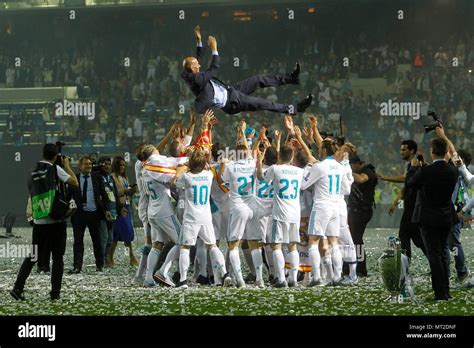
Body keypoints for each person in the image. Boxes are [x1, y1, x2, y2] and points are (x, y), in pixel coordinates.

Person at [181, 25, 313, 116]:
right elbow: (213, 69)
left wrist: (199, 40)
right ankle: (296, 108)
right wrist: (214, 49)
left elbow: (197, 59)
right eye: (196, 64)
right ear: (193, 68)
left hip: (231, 90)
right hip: (232, 102)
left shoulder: (192, 74)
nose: (199, 63)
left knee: (258, 79)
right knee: (265, 103)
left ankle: (292, 78)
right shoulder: (197, 79)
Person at [10, 143, 78, 301]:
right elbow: (74, 182)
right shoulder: (55, 169)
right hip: (55, 220)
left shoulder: (32, 172)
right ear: (55, 157)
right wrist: (67, 166)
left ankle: (17, 287)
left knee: (32, 257)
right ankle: (55, 293)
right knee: (58, 258)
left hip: (39, 221)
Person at [406, 137, 458, 301]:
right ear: (445, 152)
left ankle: (440, 292)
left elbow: (410, 184)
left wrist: (414, 168)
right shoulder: (453, 171)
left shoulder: (425, 172)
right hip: (446, 217)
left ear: (432, 151)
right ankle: (446, 290)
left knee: (434, 255)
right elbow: (437, 175)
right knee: (442, 253)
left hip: (428, 218)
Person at [173, 149, 231, 288]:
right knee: (212, 246)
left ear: (191, 164)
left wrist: (184, 166)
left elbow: (175, 181)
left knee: (185, 248)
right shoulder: (208, 175)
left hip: (191, 218)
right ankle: (224, 273)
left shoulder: (186, 177)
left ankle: (182, 279)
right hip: (205, 218)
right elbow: (207, 165)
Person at [258, 144, 305, 288]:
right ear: (292, 157)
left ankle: (281, 279)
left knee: (276, 245)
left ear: (279, 156)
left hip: (279, 214)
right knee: (292, 246)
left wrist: (259, 161)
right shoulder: (299, 171)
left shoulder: (275, 169)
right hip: (295, 213)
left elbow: (261, 177)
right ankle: (293, 280)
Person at [378, 140, 427, 260]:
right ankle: (435, 261)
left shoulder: (417, 165)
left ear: (412, 151)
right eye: (401, 149)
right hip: (412, 206)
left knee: (404, 235)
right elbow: (406, 185)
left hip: (414, 206)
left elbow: (404, 179)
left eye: (404, 150)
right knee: (417, 238)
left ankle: (406, 265)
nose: (401, 152)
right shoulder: (411, 165)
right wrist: (395, 203)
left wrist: (385, 178)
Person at [69, 156, 111, 274]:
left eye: (90, 164)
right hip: (78, 215)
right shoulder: (74, 179)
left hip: (94, 214)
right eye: (86, 164)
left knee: (97, 241)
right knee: (78, 241)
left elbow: (104, 194)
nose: (89, 166)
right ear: (80, 166)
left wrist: (107, 209)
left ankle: (100, 265)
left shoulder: (97, 178)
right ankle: (77, 266)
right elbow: (69, 195)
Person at [347, 154, 378, 277]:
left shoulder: (368, 171)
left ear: (356, 164)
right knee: (352, 239)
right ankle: (349, 266)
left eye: (351, 166)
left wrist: (346, 171)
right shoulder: (358, 170)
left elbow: (361, 179)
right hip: (354, 210)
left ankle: (361, 268)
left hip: (362, 211)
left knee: (357, 240)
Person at [109, 156, 139, 267]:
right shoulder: (112, 177)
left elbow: (125, 192)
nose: (122, 167)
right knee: (119, 235)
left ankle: (128, 257)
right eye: (120, 165)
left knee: (123, 235)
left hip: (127, 207)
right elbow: (113, 192)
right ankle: (127, 257)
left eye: (123, 165)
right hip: (119, 208)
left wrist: (131, 191)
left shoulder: (124, 177)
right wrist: (125, 190)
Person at [95, 156, 120, 268]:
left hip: (113, 210)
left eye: (109, 164)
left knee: (110, 238)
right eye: (104, 163)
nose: (107, 166)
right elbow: (98, 197)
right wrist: (104, 210)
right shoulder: (97, 177)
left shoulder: (110, 177)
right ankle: (101, 261)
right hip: (102, 213)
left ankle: (106, 259)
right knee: (103, 237)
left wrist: (119, 208)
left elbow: (115, 194)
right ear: (100, 164)